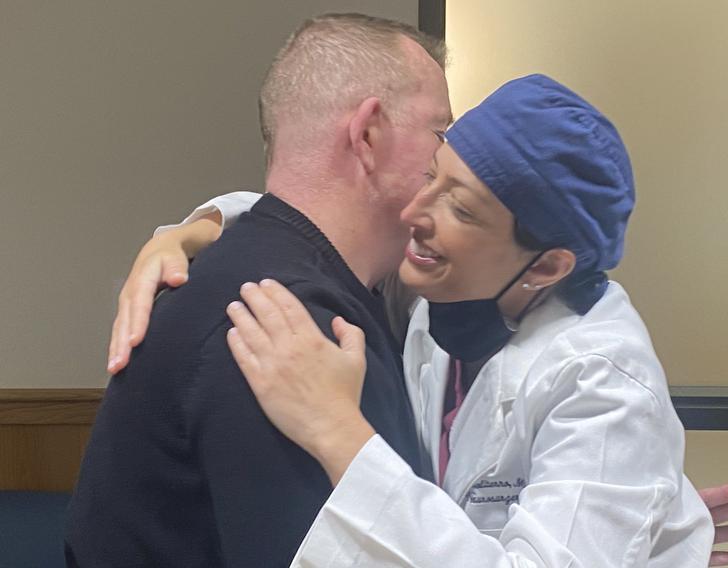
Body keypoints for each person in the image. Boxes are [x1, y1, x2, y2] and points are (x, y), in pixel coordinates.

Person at [113, 75, 728, 566]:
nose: (417, 211)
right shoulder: (453, 284)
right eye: (432, 174)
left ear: (548, 266)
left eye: (463, 209)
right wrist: (191, 230)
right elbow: (315, 219)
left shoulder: (603, 378)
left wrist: (337, 430)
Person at [65, 14, 452, 567]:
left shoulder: (252, 269)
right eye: (440, 132)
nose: (448, 162)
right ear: (367, 134)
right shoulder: (288, 328)